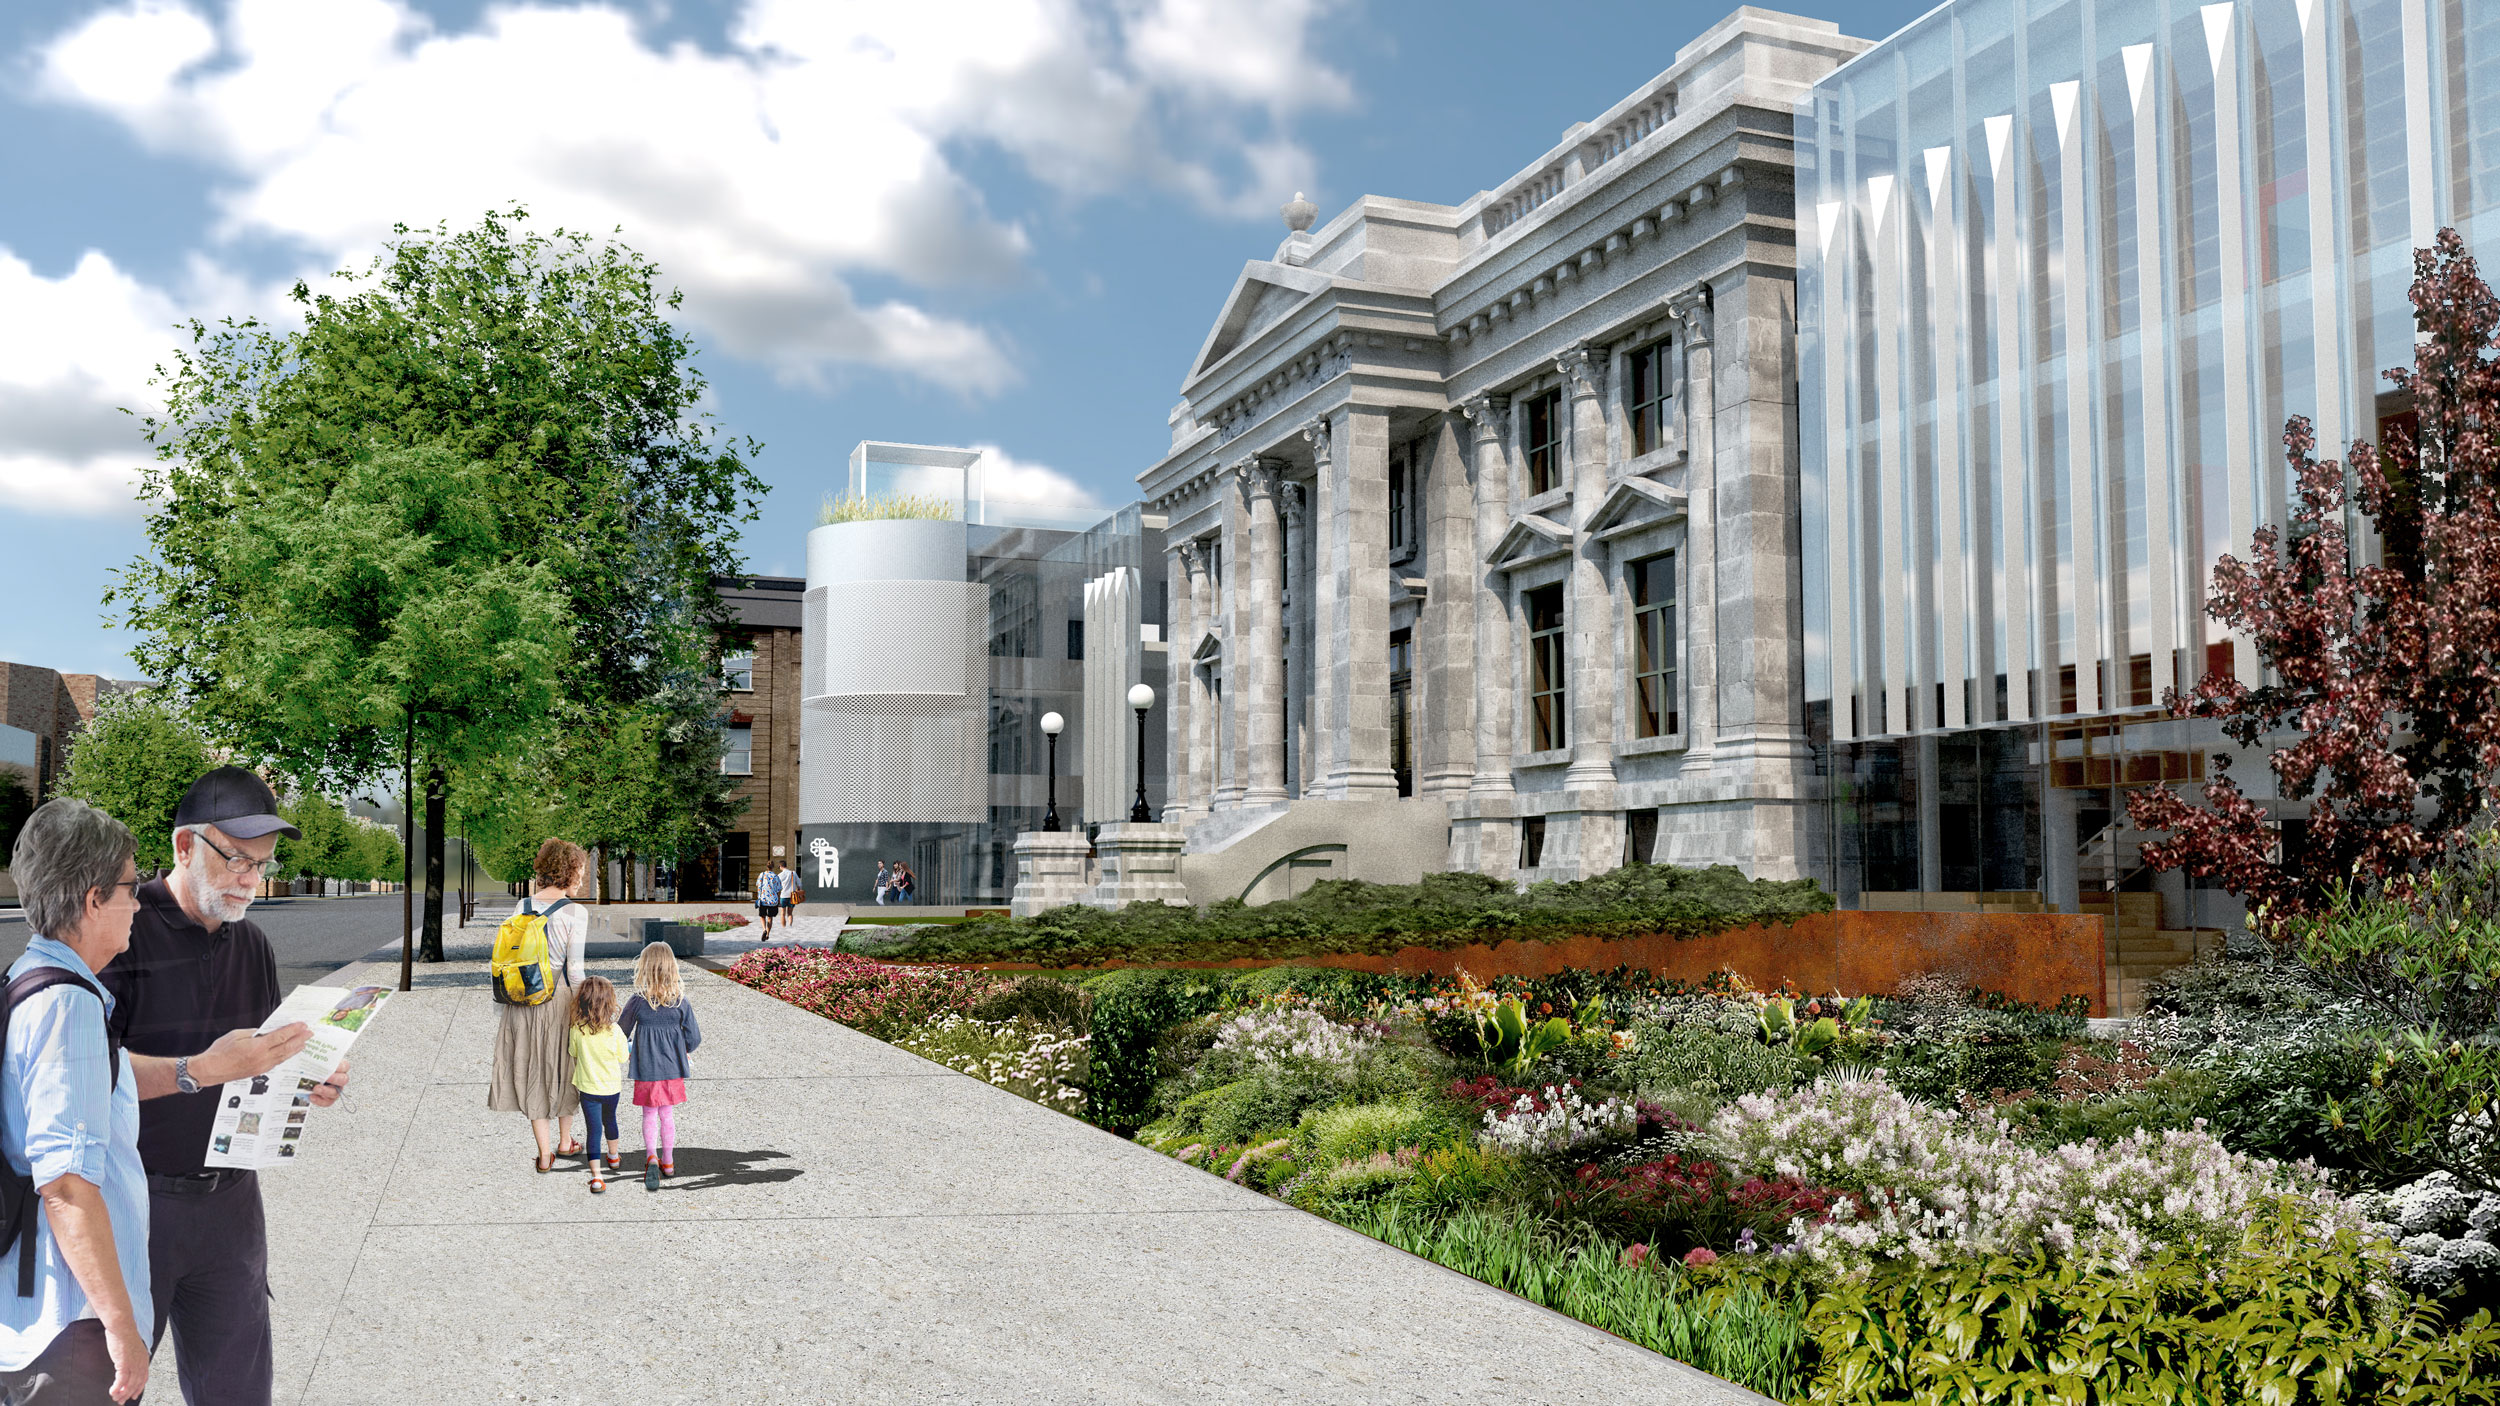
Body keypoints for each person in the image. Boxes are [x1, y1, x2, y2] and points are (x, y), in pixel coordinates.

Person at [97, 768, 340, 1406]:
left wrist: (309, 1075)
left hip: (231, 1207)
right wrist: (198, 1068)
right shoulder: (118, 934)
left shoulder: (253, 945)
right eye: (235, 858)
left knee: (238, 1394)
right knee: (106, 1390)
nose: (250, 879)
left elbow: (263, 1062)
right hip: (131, 1203)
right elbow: (82, 1077)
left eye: (261, 864)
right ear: (184, 847)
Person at [2, 799, 151, 1404]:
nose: (138, 903)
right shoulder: (69, 1005)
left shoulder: (25, 977)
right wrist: (121, 1327)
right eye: (131, 886)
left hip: (33, 1314)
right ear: (93, 899)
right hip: (67, 1325)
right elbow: (64, 1184)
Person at [488, 839, 588, 1172]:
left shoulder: (523, 905)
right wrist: (585, 1009)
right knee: (564, 1070)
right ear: (570, 871)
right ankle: (565, 1141)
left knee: (532, 1072)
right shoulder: (576, 912)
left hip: (523, 1001)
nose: (583, 877)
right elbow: (575, 971)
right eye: (581, 870)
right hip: (558, 1000)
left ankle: (545, 1154)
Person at [619, 943, 701, 1193]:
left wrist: (632, 1045)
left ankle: (651, 1157)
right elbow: (694, 1038)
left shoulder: (637, 1001)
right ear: (672, 968)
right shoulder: (680, 1002)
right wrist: (681, 1048)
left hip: (646, 1069)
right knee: (667, 1115)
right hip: (672, 1070)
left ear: (644, 968)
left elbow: (621, 1032)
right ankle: (668, 1162)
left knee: (649, 1115)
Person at [566, 976, 625, 1195]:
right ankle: (613, 1156)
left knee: (593, 1131)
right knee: (610, 1121)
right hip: (611, 1088)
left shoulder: (577, 1029)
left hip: (588, 1090)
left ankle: (597, 1177)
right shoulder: (615, 1030)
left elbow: (573, 1052)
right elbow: (622, 1057)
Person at [755, 858, 785, 929]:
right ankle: (768, 934)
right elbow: (778, 890)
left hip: (763, 900)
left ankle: (764, 929)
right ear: (773, 867)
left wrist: (759, 896)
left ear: (766, 867)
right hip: (773, 900)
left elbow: (758, 886)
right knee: (770, 918)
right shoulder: (776, 877)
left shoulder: (762, 875)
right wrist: (778, 901)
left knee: (762, 916)